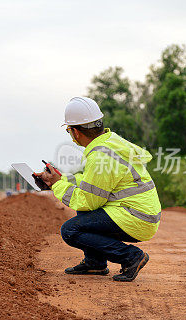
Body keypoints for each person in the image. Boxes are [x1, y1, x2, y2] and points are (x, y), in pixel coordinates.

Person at [35, 97, 161, 282]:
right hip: (141, 213)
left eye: (69, 130)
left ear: (75, 132)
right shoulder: (110, 143)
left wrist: (56, 185)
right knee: (86, 209)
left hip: (136, 217)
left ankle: (131, 256)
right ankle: (95, 263)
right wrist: (62, 178)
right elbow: (92, 183)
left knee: (70, 231)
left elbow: (87, 200)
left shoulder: (101, 155)